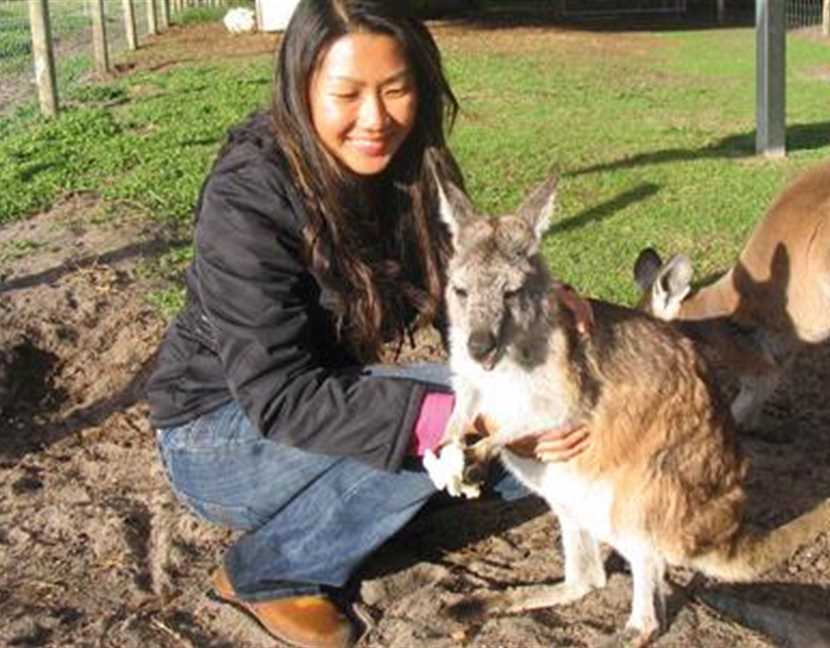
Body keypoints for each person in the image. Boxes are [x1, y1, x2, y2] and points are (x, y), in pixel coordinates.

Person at [146, 1, 589, 646]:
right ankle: (269, 572)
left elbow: (458, 293)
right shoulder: (249, 194)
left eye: (396, 90)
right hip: (220, 433)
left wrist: (545, 305)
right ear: (302, 89)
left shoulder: (411, 167)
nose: (375, 119)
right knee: (450, 424)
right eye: (346, 94)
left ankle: (382, 495)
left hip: (325, 387)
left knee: (541, 430)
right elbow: (280, 394)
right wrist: (469, 425)